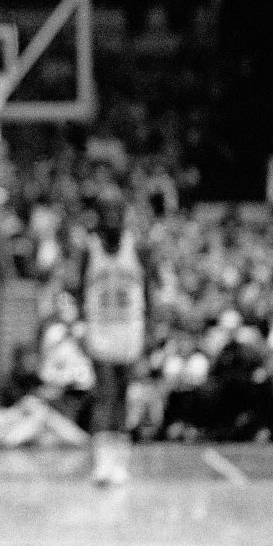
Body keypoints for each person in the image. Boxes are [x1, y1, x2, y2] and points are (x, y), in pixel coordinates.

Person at [78, 196, 151, 486]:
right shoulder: (90, 250)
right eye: (105, 212)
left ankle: (119, 465)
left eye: (116, 212)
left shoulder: (139, 249)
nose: (111, 218)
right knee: (105, 395)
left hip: (130, 328)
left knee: (123, 396)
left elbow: (149, 292)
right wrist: (83, 328)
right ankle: (101, 465)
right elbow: (78, 289)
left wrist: (150, 331)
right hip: (100, 328)